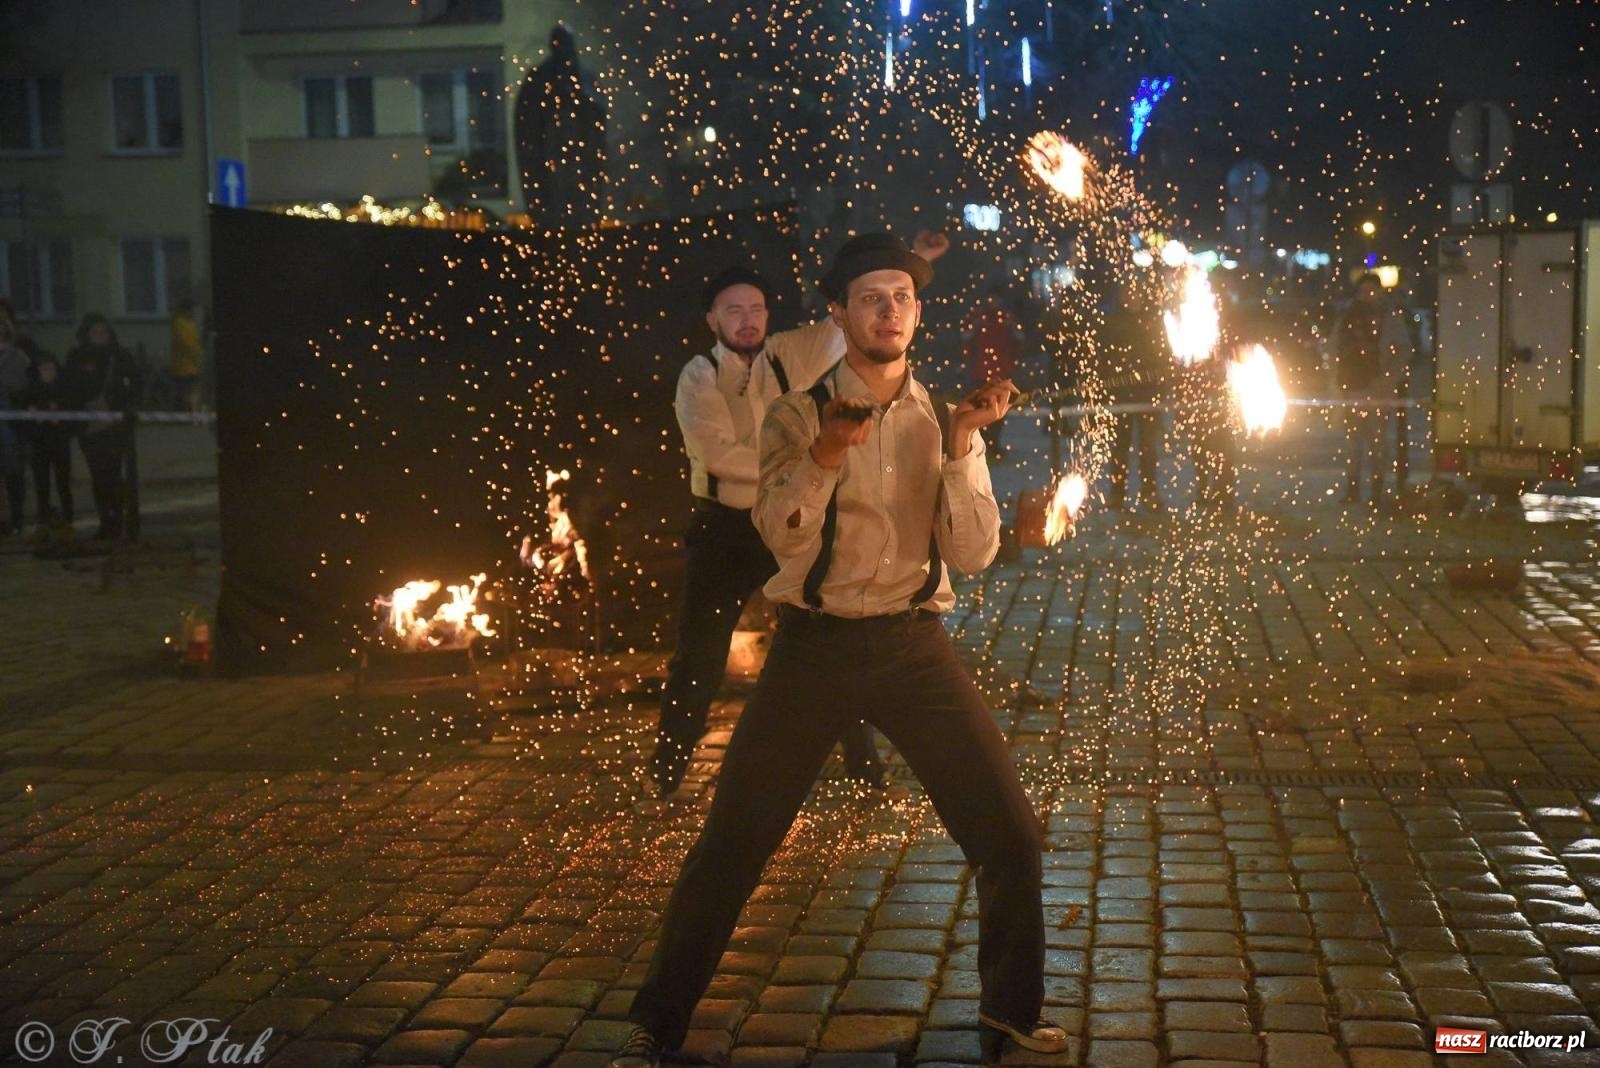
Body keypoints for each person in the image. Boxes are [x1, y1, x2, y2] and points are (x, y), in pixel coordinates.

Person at [612, 233, 1066, 1067]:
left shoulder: (938, 416)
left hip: (914, 648)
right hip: (812, 652)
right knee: (734, 844)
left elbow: (971, 555)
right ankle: (656, 1021)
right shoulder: (794, 411)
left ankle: (1011, 1009)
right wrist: (823, 456)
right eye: (869, 297)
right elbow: (782, 538)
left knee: (1010, 836)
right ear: (838, 315)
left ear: (917, 314)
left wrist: (966, 447)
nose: (887, 310)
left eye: (901, 296)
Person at [655, 264, 897, 796]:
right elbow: (716, 454)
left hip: (787, 522)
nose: (747, 321)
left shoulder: (790, 354)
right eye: (734, 311)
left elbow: (849, 319)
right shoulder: (699, 375)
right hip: (723, 529)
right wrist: (799, 461)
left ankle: (864, 767)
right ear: (712, 318)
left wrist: (909, 264)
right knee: (699, 654)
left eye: (756, 309)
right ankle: (666, 770)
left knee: (831, 636)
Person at [1330, 273, 1413, 504]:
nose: (1367, 296)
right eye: (1363, 291)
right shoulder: (1347, 317)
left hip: (1378, 388)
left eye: (1372, 291)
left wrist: (1388, 378)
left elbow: (1404, 349)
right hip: (1352, 386)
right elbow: (1335, 348)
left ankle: (1376, 490)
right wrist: (1337, 380)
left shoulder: (1389, 318)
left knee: (1378, 441)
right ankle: (1353, 488)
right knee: (1353, 442)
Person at [64, 314, 141, 541]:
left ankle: (116, 522)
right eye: (95, 332)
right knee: (98, 476)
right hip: (89, 427)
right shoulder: (77, 358)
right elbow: (70, 388)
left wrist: (126, 406)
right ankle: (106, 523)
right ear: (86, 334)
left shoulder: (120, 356)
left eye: (103, 331)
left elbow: (136, 383)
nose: (100, 336)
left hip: (115, 427)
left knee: (113, 475)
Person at [1095, 286, 1167, 511]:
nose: (1132, 297)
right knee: (1120, 447)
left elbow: (1162, 354)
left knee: (1148, 447)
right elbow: (1103, 354)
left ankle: (1149, 493)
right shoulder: (1114, 321)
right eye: (1128, 293)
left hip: (1147, 394)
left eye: (1136, 293)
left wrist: (1159, 382)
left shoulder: (1152, 321)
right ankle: (1117, 494)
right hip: (1121, 395)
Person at [960, 287, 1021, 457]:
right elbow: (966, 342)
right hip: (982, 372)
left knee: (997, 410)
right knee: (982, 409)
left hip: (999, 371)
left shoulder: (1004, 317)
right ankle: (983, 446)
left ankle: (992, 445)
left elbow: (1018, 340)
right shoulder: (980, 317)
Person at [18, 353, 73, 529]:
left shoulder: (64, 388)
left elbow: (71, 407)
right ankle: (43, 518)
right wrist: (31, 411)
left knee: (63, 481)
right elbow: (21, 407)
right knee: (42, 483)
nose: (48, 372)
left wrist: (59, 411)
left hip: (60, 442)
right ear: (38, 370)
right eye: (44, 368)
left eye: (51, 368)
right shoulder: (31, 390)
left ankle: (68, 518)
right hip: (39, 442)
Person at [0, 317, 30, 535]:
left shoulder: (19, 358)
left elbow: (25, 387)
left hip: (11, 421)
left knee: (13, 472)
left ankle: (16, 518)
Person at [170, 296, 203, 413]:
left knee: (189, 392)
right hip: (184, 367)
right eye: (192, 309)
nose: (194, 312)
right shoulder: (180, 323)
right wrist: (198, 355)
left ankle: (189, 412)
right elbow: (187, 344)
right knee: (186, 392)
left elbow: (194, 342)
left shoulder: (189, 323)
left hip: (191, 365)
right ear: (187, 309)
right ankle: (185, 413)